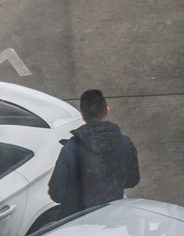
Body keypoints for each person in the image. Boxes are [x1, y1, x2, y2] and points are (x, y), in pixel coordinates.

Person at [47, 90, 140, 220]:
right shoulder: (125, 143)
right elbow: (132, 180)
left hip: (77, 222)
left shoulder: (71, 149)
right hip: (111, 217)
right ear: (107, 111)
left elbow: (56, 194)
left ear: (83, 116)